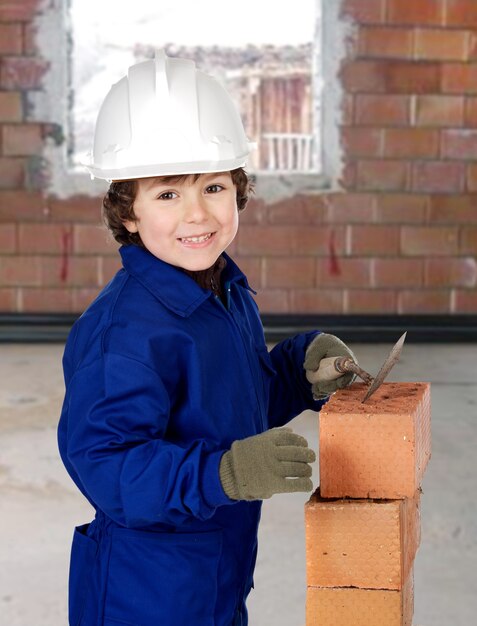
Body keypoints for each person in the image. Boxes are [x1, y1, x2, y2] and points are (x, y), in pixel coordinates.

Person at [58, 50, 356, 626]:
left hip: (216, 568)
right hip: (144, 590)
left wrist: (299, 372)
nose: (198, 215)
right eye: (168, 194)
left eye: (213, 187)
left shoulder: (224, 293)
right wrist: (225, 473)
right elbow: (106, 466)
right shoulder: (124, 334)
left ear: (239, 191)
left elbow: (231, 410)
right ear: (130, 214)